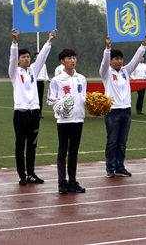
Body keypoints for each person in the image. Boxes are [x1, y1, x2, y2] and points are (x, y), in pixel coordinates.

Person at [9, 29, 56, 185]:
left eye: (28, 56)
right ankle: (22, 175)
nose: (27, 59)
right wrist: (15, 42)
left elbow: (42, 56)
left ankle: (31, 174)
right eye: (24, 57)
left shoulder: (33, 72)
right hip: (21, 114)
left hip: (34, 114)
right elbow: (12, 58)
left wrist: (49, 40)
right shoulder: (14, 72)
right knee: (20, 145)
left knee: (32, 146)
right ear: (18, 60)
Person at [100, 35, 146, 178]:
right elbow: (104, 63)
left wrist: (143, 45)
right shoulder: (106, 73)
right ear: (111, 61)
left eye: (121, 59)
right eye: (117, 59)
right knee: (112, 141)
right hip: (112, 111)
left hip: (126, 111)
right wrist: (108, 48)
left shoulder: (126, 71)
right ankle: (110, 167)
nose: (120, 61)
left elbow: (134, 60)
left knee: (122, 142)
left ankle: (120, 166)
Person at [47, 49, 87, 194]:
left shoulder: (81, 78)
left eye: (74, 58)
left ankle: (72, 181)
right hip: (64, 120)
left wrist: (91, 101)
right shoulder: (57, 80)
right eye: (69, 58)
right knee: (62, 151)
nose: (72, 60)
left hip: (78, 119)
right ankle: (61, 182)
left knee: (74, 152)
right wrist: (62, 102)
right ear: (62, 61)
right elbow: (50, 99)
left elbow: (83, 97)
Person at [32, 52, 49, 118]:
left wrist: (47, 80)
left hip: (41, 83)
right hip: (35, 83)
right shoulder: (32, 65)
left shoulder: (44, 65)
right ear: (34, 58)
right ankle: (34, 112)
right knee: (34, 98)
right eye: (37, 57)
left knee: (40, 98)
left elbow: (45, 74)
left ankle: (39, 113)